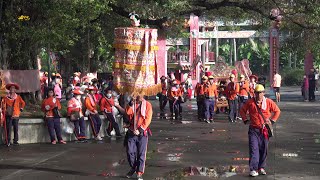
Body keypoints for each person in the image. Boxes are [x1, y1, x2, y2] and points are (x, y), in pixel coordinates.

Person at [240, 84, 280, 177]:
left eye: (260, 93)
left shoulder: (269, 102)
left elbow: (277, 111)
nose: (258, 95)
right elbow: (242, 110)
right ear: (254, 93)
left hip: (264, 130)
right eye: (257, 93)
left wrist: (272, 121)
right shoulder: (250, 102)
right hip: (253, 130)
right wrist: (245, 120)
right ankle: (253, 168)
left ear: (263, 93)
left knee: (264, 149)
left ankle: (261, 167)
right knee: (254, 149)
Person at [122, 93, 152, 180]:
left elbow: (148, 118)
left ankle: (139, 172)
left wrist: (140, 130)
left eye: (141, 94)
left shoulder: (147, 105)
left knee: (141, 154)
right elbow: (127, 113)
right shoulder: (132, 103)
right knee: (130, 152)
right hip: (131, 131)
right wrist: (131, 104)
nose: (139, 96)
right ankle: (134, 168)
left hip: (142, 133)